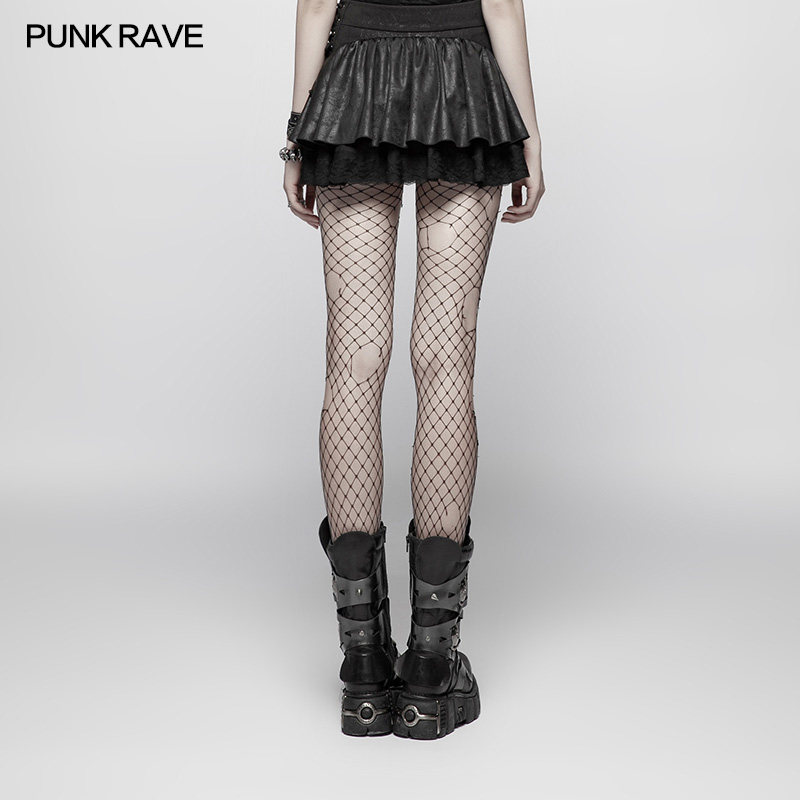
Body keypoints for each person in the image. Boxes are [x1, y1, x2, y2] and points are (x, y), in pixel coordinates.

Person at [281, 0, 544, 739]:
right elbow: (501, 5)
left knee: (354, 358)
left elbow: (315, 4)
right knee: (445, 358)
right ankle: (431, 667)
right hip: (464, 87)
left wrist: (297, 135)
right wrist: (529, 135)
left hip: (353, 88)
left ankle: (364, 666)